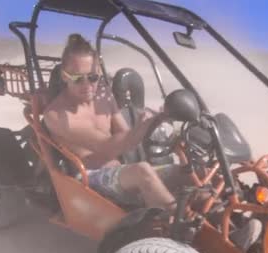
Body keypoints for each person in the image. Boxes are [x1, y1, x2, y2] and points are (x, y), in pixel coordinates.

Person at [43, 34, 182, 212]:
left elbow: (125, 136)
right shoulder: (57, 115)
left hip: (121, 172)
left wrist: (153, 120)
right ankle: (175, 229)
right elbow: (109, 146)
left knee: (185, 171)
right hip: (89, 178)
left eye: (92, 77)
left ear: (99, 74)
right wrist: (147, 124)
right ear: (64, 76)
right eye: (78, 78)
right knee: (143, 171)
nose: (87, 85)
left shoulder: (105, 97)